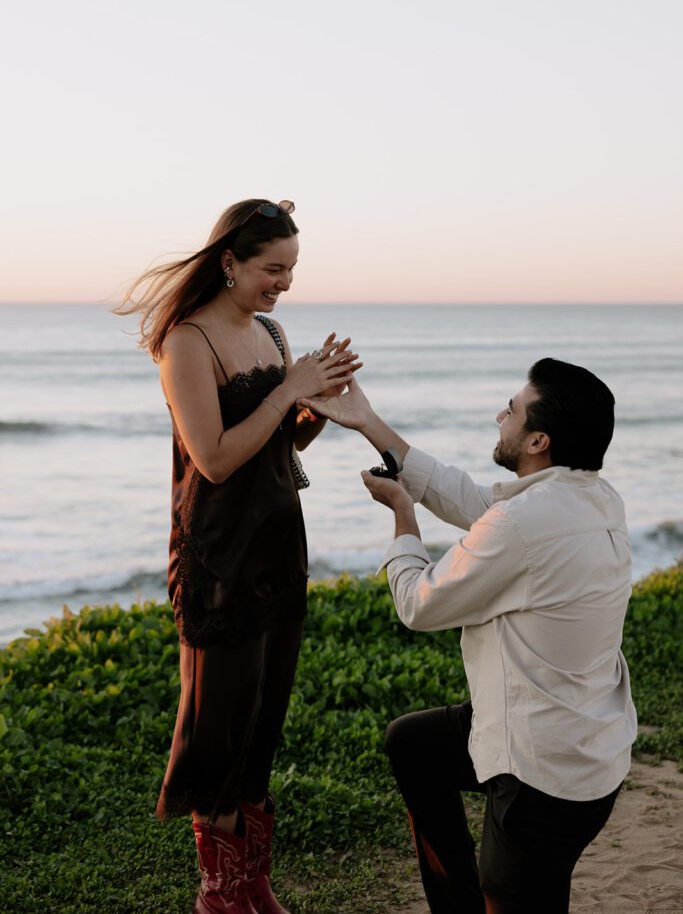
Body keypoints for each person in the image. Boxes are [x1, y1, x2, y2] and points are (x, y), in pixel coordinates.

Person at [297, 358, 637, 914]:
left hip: (544, 771)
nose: (499, 415)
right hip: (588, 742)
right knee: (414, 744)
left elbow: (418, 603)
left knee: (518, 900)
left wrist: (403, 515)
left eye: (513, 410)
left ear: (538, 440)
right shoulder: (593, 497)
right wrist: (367, 421)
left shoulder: (523, 524)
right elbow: (477, 504)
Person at [117, 199, 360, 914]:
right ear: (229, 261)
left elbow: (277, 448)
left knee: (262, 721)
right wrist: (289, 388)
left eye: (290, 270)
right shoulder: (187, 341)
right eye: (272, 269)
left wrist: (319, 404)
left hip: (280, 549)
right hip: (217, 557)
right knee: (218, 725)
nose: (283, 284)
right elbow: (217, 460)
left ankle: (251, 880)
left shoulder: (274, 336)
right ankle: (218, 893)